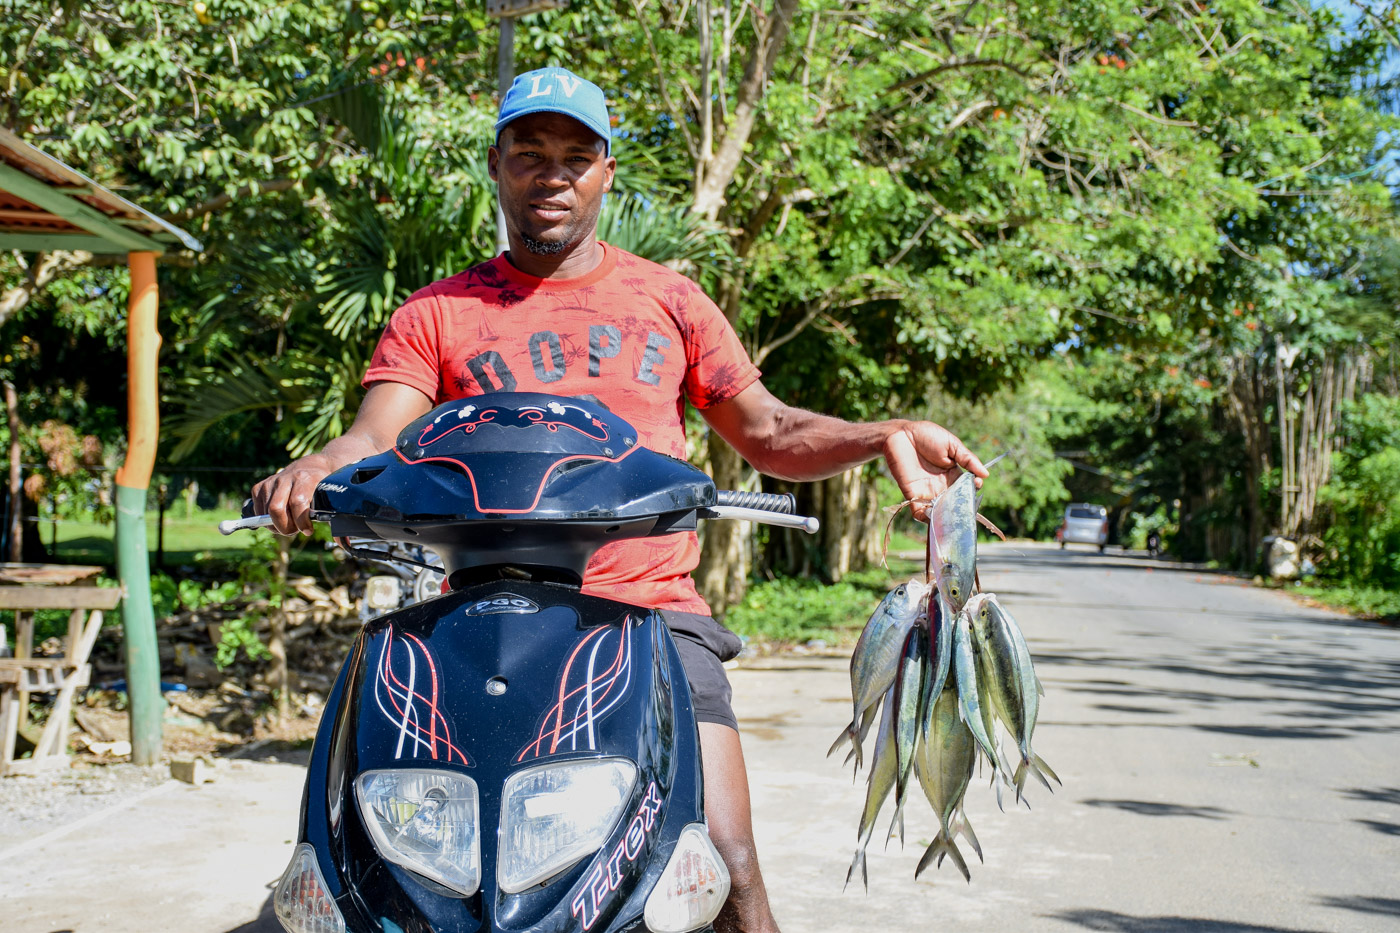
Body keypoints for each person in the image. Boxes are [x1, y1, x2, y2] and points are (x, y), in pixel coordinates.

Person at [252, 66, 987, 933]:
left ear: (606, 172)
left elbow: (772, 429)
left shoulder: (668, 300)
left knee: (725, 856)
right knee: (386, 856)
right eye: (530, 153)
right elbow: (375, 435)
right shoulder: (438, 312)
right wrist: (317, 466)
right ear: (497, 165)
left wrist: (883, 432)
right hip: (475, 613)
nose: (551, 174)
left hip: (649, 612)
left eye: (575, 156)